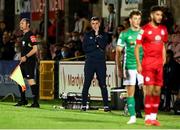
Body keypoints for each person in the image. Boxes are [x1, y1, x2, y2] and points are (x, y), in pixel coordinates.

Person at [135, 6, 168, 126]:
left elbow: (163, 45)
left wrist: (164, 59)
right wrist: (139, 64)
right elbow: (137, 48)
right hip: (148, 63)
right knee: (148, 90)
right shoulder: (143, 30)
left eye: (161, 15)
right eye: (157, 14)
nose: (160, 17)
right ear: (152, 15)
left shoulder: (163, 29)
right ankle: (147, 117)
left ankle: (154, 117)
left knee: (157, 91)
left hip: (159, 64)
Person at [116, 10, 143, 124]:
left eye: (139, 19)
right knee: (131, 92)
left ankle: (151, 114)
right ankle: (133, 116)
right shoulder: (124, 34)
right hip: (129, 66)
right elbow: (118, 52)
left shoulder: (144, 33)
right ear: (131, 20)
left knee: (147, 90)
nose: (137, 21)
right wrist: (119, 69)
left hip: (143, 66)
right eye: (135, 19)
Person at [81, 16, 110, 112]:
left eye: (96, 23)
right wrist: (95, 45)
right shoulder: (87, 34)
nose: (95, 25)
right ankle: (83, 105)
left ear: (99, 24)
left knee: (103, 84)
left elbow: (102, 45)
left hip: (100, 62)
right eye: (93, 24)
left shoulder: (104, 34)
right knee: (86, 83)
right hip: (90, 62)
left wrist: (97, 37)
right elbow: (85, 49)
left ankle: (106, 105)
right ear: (91, 24)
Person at [14, 18, 39, 108]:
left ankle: (35, 102)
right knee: (18, 78)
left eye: (22, 23)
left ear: (28, 24)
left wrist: (26, 56)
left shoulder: (31, 35)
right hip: (24, 61)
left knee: (30, 79)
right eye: (20, 23)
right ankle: (23, 99)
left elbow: (35, 49)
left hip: (29, 61)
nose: (20, 24)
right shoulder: (24, 36)